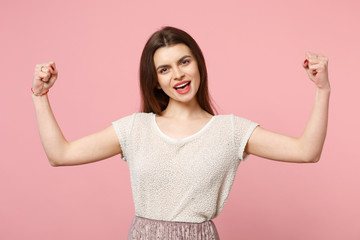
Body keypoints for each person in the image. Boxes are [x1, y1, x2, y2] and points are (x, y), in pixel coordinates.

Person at [32, 26, 330, 240]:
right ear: (155, 81)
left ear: (198, 64)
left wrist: (322, 90)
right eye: (164, 69)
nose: (178, 74)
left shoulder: (231, 131)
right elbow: (61, 154)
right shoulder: (135, 128)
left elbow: (307, 151)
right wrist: (40, 97)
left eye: (184, 61)